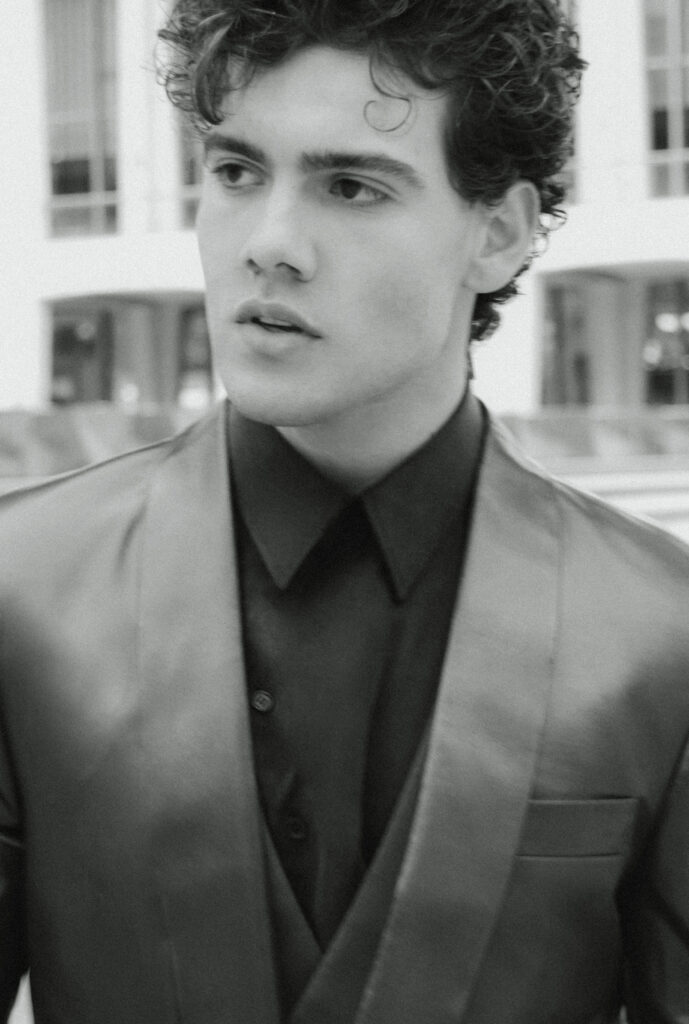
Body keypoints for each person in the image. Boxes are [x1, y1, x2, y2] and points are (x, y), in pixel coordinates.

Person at [1, 1, 688, 1021]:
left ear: (498, 233)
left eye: (351, 186)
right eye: (237, 172)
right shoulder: (20, 585)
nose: (268, 245)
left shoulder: (662, 631)